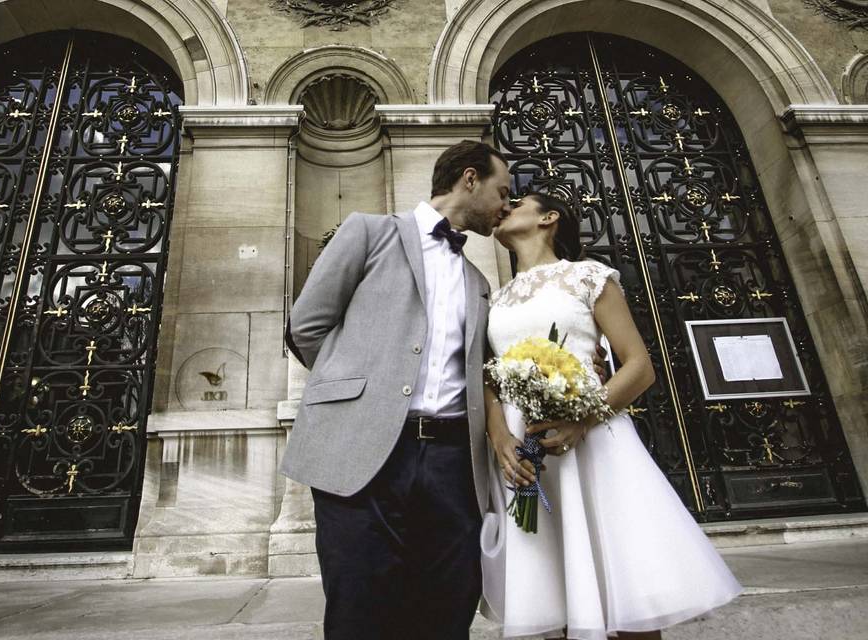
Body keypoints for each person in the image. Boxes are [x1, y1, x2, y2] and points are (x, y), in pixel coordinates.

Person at [481, 192, 742, 639]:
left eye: (518, 200)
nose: (504, 206)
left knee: (623, 577)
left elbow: (639, 366)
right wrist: (499, 435)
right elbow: (489, 377)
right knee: (550, 585)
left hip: (594, 442)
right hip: (525, 453)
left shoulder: (587, 277)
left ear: (549, 217)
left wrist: (581, 419)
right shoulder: (496, 297)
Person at [283, 140, 511, 640]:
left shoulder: (478, 281)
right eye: (502, 191)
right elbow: (308, 324)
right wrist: (365, 396)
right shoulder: (370, 232)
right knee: (359, 602)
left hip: (453, 460)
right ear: (469, 179)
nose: (505, 207)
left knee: (448, 604)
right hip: (363, 451)